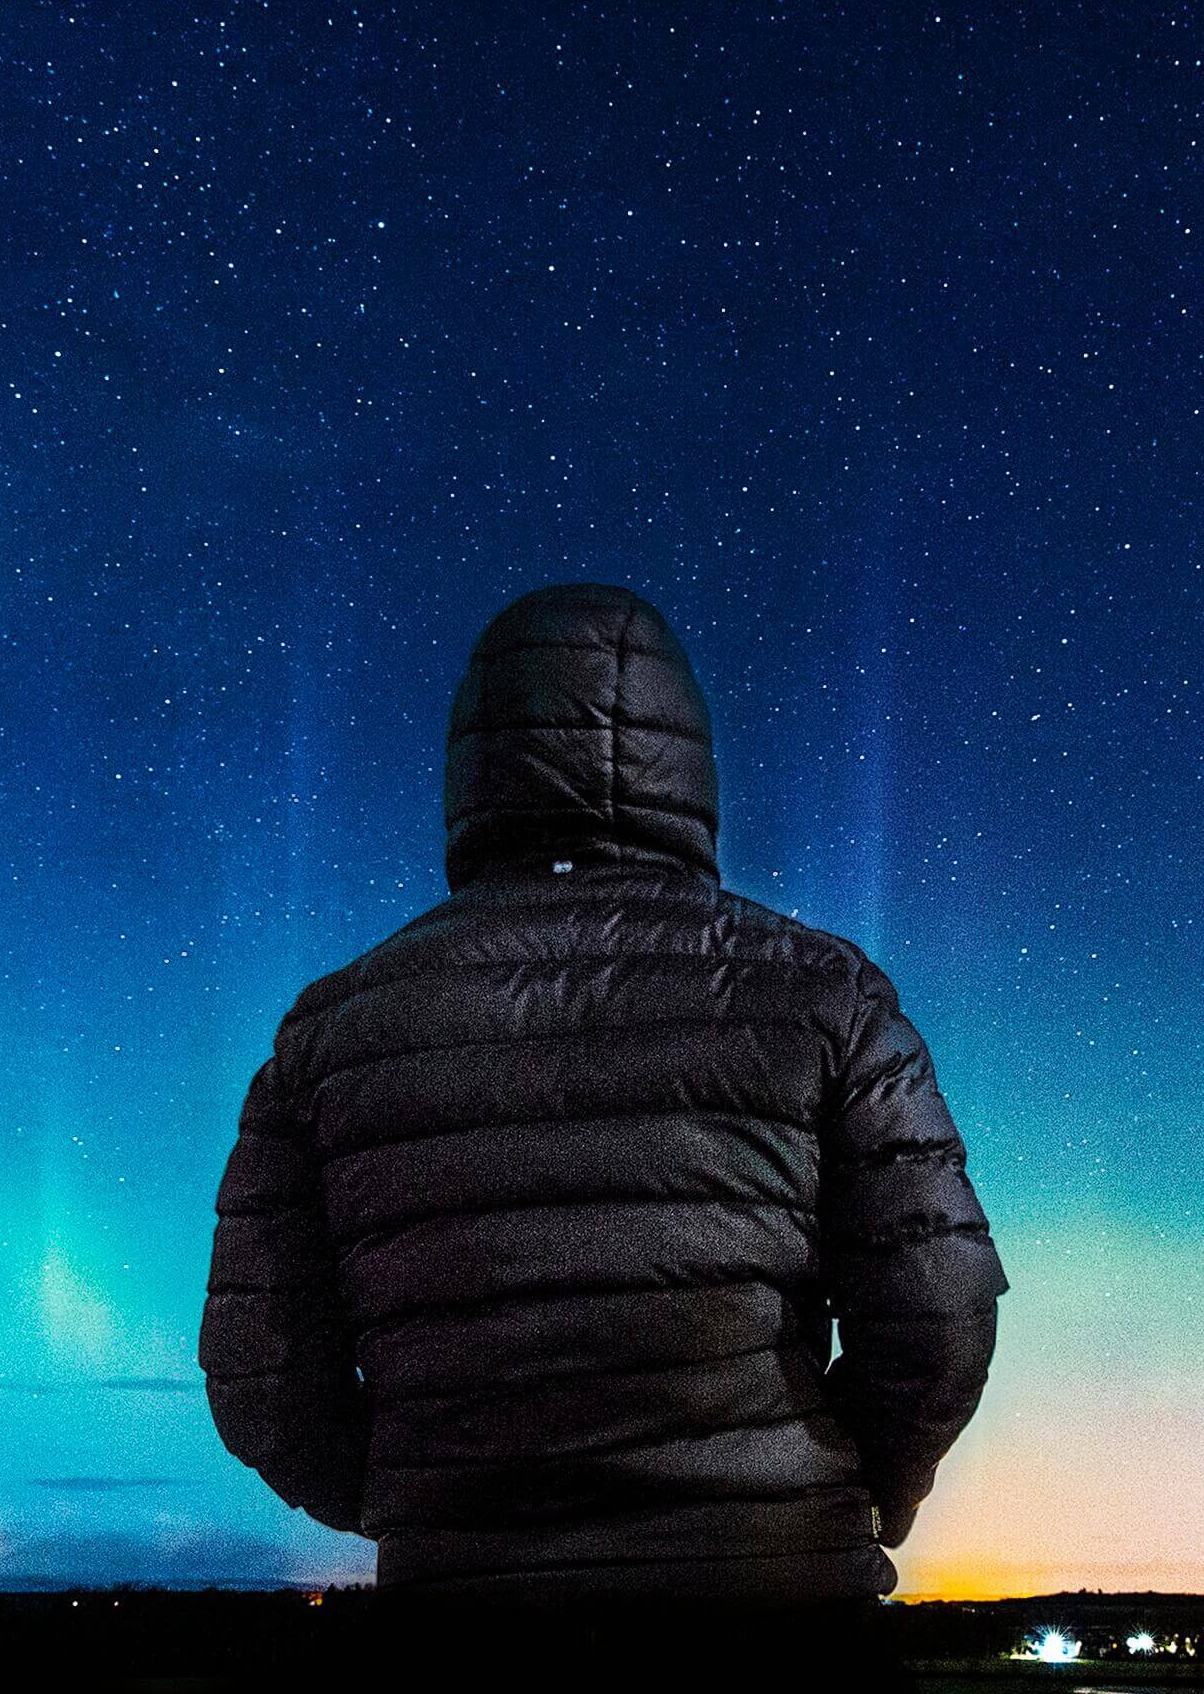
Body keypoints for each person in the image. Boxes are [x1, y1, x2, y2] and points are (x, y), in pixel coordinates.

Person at [199, 582, 1005, 1625]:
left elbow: (260, 1366)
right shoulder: (825, 993)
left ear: (476, 764)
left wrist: (413, 1504)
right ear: (687, 757)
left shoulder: (330, 1033)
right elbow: (941, 1309)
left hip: (467, 1625)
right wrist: (849, 1488)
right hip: (776, 1613)